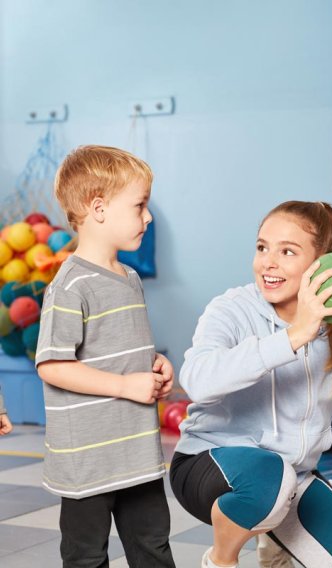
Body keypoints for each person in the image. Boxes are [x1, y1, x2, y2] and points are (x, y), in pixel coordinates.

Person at [170, 200, 332, 568]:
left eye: (287, 252)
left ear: (323, 264)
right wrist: (293, 337)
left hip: (292, 481)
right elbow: (197, 381)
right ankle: (221, 559)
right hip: (206, 464)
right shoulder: (232, 309)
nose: (268, 263)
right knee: (269, 480)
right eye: (262, 247)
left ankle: (273, 538)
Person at [35, 145, 176, 567]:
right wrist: (124, 385)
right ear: (98, 208)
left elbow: (121, 346)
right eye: (140, 206)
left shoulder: (129, 277)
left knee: (153, 546)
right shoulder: (69, 286)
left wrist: (153, 366)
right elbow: (52, 365)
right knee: (86, 555)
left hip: (136, 452)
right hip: (88, 460)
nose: (148, 217)